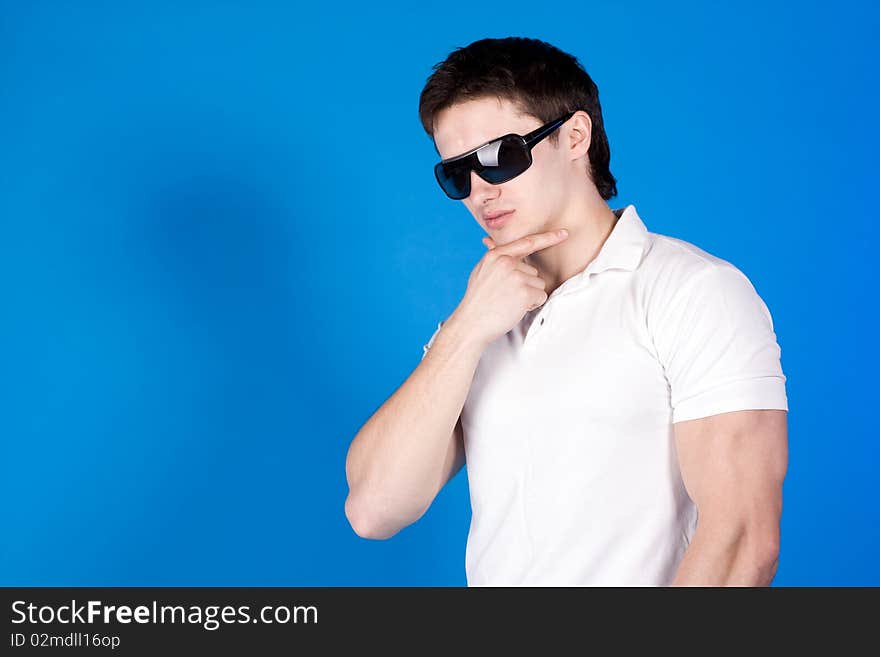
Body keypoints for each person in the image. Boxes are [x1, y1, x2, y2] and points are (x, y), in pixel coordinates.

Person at [344, 36, 789, 586]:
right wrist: (465, 329)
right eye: (457, 174)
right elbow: (373, 509)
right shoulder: (483, 319)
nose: (481, 191)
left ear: (575, 136)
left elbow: (743, 539)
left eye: (500, 157)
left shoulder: (692, 291)